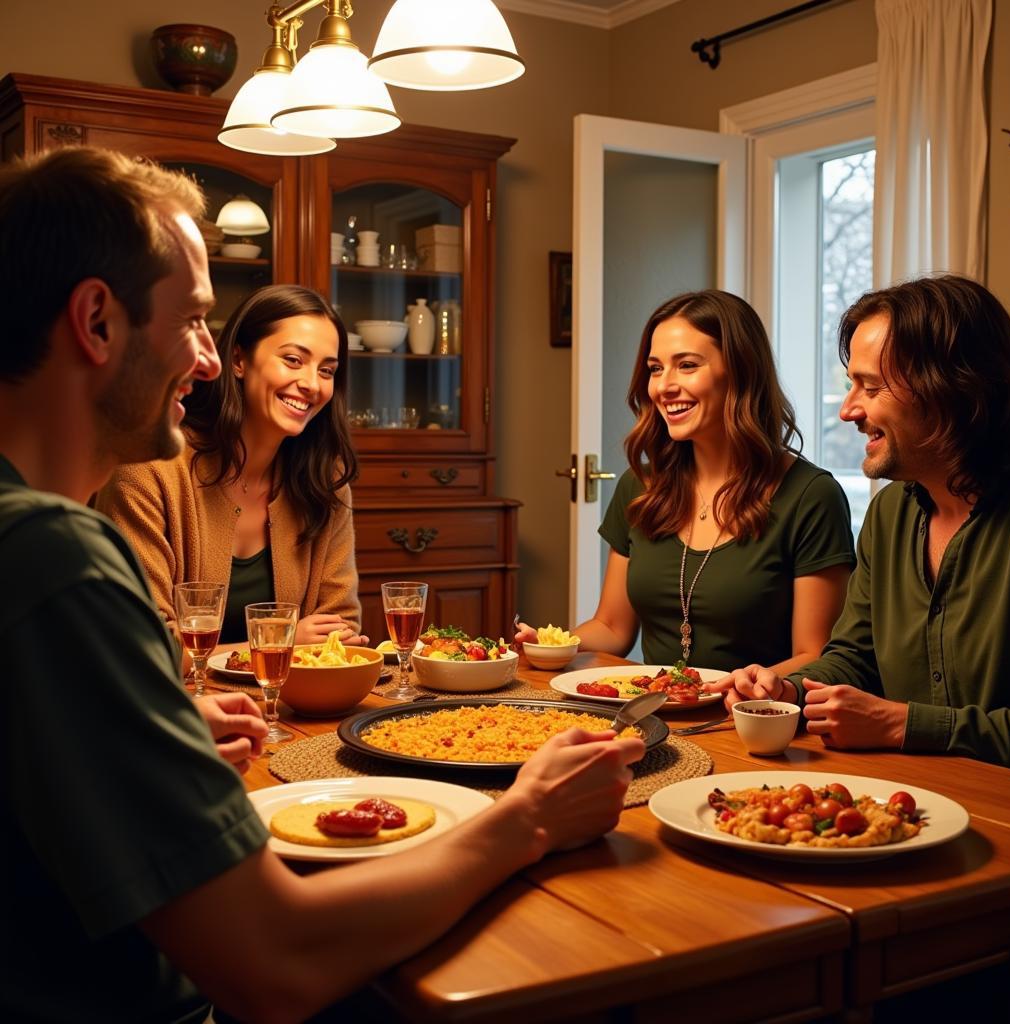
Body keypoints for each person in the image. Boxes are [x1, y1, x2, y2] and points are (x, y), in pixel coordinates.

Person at [0, 145, 646, 1024]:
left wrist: (159, 725)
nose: (203, 360)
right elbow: (277, 960)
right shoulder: (52, 555)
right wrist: (530, 818)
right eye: (192, 320)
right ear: (97, 321)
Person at [717, 275, 1010, 770]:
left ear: (953, 387)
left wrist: (902, 723)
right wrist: (786, 691)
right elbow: (854, 658)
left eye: (871, 387)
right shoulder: (890, 513)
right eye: (850, 384)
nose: (847, 410)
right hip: (908, 794)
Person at [518, 290, 855, 678]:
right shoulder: (640, 487)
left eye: (687, 365)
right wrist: (550, 646)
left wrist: (745, 689)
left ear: (740, 370)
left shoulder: (811, 496)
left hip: (749, 720)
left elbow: (815, 655)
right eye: (656, 368)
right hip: (653, 710)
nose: (663, 386)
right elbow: (612, 627)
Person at [96, 283, 365, 647]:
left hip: (293, 702)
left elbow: (340, 632)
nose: (311, 385)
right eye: (293, 360)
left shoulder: (325, 480)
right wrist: (278, 642)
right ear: (239, 360)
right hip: (176, 703)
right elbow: (142, 644)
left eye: (327, 371)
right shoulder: (149, 469)